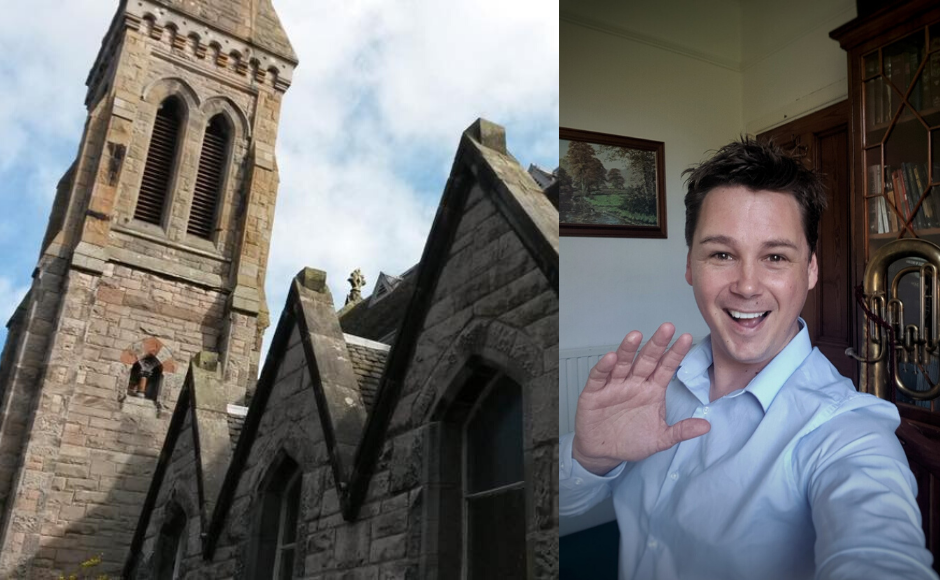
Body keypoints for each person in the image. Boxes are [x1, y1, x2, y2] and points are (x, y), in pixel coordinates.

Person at [559, 137, 938, 580]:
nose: (747, 285)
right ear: (689, 265)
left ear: (811, 270)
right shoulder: (650, 389)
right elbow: (561, 505)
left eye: (775, 256)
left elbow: (881, 555)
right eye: (722, 254)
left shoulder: (846, 431)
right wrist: (590, 460)